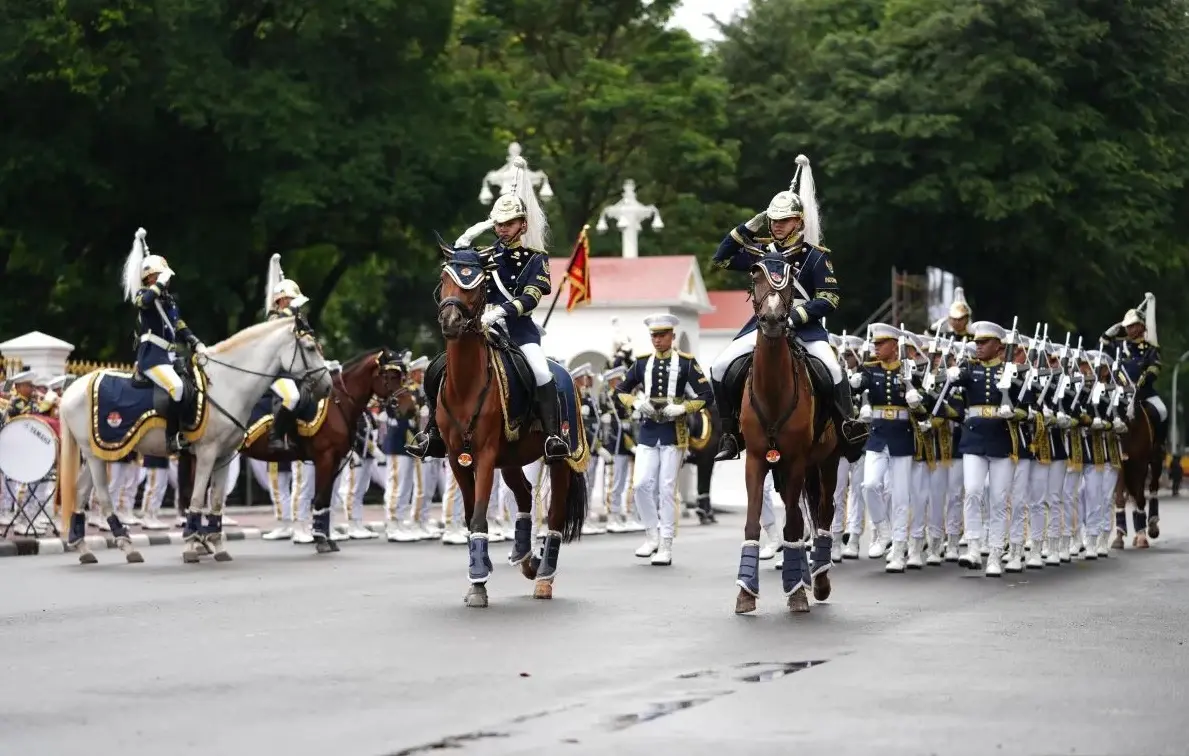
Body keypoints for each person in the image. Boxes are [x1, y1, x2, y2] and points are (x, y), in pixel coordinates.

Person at [409, 156, 569, 462]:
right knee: (439, 367)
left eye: (509, 224)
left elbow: (533, 296)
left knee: (540, 370)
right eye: (498, 224)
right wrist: (467, 238)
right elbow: (459, 267)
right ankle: (432, 432)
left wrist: (502, 312)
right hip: (482, 328)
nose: (503, 229)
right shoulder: (485, 254)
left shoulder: (537, 258)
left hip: (519, 329)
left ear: (523, 224)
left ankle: (552, 437)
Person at [708, 154, 866, 461]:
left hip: (805, 327)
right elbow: (722, 259)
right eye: (774, 220)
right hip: (763, 324)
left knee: (833, 369)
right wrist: (745, 229)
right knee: (718, 367)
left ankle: (846, 428)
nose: (777, 226)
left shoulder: (816, 256)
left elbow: (830, 298)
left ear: (799, 222)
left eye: (784, 221)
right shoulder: (761, 254)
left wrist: (797, 315)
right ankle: (730, 432)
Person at [614, 313, 713, 565]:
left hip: (674, 432)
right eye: (653, 336)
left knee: (667, 488)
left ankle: (666, 544)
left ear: (672, 336)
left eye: (662, 335)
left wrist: (683, 408)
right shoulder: (641, 363)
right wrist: (637, 403)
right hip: (648, 431)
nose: (657, 340)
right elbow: (621, 390)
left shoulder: (686, 363)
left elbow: (706, 394)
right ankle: (651, 535)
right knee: (640, 485)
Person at [122, 228, 207, 454]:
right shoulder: (144, 295)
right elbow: (144, 302)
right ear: (150, 277)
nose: (166, 282)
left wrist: (195, 342)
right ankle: (172, 437)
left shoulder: (169, 302)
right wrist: (158, 285)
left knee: (192, 385)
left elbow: (178, 325)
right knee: (176, 387)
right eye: (161, 277)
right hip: (152, 357)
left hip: (169, 356)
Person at [1102, 293, 1166, 446]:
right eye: (1127, 327)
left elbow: (1155, 366)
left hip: (1144, 392)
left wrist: (1145, 378)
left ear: (1141, 326)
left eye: (1132, 326)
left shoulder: (1150, 346)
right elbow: (1100, 353)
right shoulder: (1120, 345)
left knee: (1162, 411)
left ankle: (1158, 447)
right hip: (1119, 392)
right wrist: (1106, 336)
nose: (1129, 330)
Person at [263, 254, 311, 451]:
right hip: (277, 372)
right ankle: (276, 434)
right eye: (292, 300)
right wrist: (292, 312)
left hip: (297, 370)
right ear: (282, 300)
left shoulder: (297, 318)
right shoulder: (275, 318)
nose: (296, 304)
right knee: (291, 397)